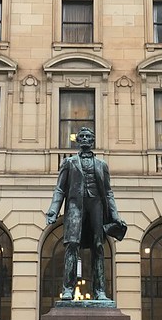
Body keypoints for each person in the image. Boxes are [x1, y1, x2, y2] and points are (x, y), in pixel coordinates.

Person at [46, 127, 127, 300]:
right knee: (72, 245)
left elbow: (108, 192)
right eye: (81, 136)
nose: (84, 139)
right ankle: (68, 289)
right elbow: (60, 189)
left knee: (98, 246)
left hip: (96, 205)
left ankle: (99, 291)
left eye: (88, 137)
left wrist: (115, 216)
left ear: (92, 141)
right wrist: (53, 210)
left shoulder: (102, 165)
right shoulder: (69, 163)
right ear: (77, 140)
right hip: (76, 206)